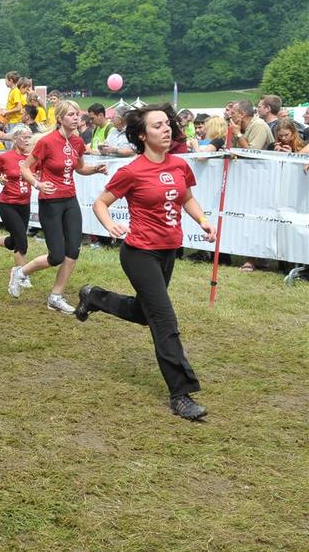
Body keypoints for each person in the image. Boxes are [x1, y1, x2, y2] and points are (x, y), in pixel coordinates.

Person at [75, 103, 215, 421]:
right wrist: (110, 225)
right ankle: (181, 394)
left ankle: (94, 296)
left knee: (144, 313)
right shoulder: (132, 171)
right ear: (142, 134)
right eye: (157, 125)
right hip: (139, 253)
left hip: (168, 251)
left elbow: (186, 198)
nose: (166, 129)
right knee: (164, 320)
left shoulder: (179, 166)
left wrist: (203, 220)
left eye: (167, 124)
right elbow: (101, 203)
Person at [13, 100, 108, 312]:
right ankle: (20, 272)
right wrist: (38, 184)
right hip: (50, 202)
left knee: (73, 251)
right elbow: (25, 169)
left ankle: (56, 296)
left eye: (77, 115)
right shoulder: (47, 142)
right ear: (60, 118)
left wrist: (96, 169)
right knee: (56, 256)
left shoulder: (77, 142)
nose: (76, 118)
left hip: (70, 200)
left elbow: (80, 168)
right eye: (71, 115)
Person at [0, 126, 35, 277]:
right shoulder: (4, 158)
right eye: (24, 137)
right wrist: (0, 178)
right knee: (21, 242)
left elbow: (36, 175)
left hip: (24, 204)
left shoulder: (32, 158)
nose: (28, 140)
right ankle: (21, 276)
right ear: (15, 139)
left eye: (29, 137)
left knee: (14, 241)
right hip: (7, 204)